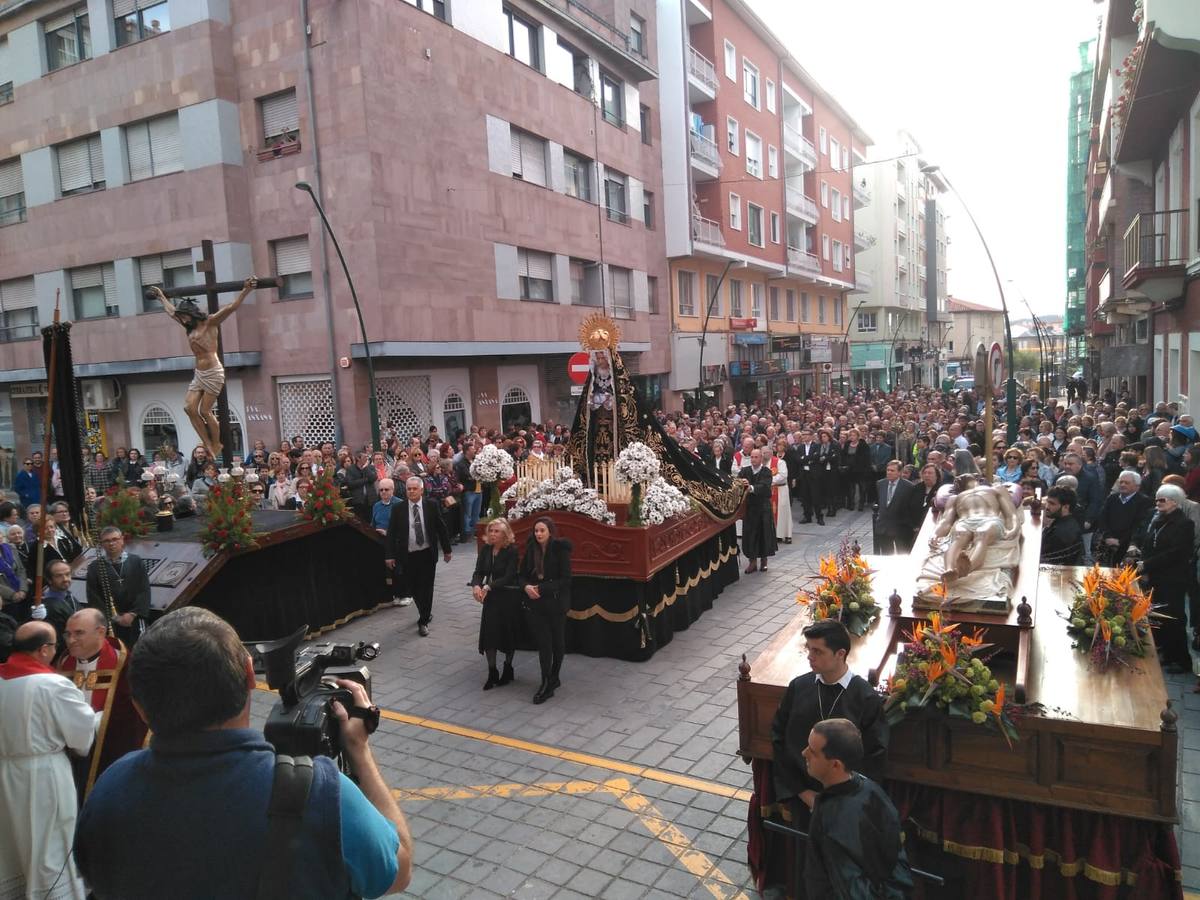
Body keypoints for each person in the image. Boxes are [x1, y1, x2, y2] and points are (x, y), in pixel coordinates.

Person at [74, 607, 412, 899]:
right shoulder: (321, 793)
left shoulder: (109, 788)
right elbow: (398, 870)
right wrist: (358, 748)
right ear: (250, 676)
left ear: (140, 709)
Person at [0, 620, 96, 900]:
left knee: (11, 843)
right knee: (50, 843)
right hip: (44, 776)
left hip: (5, 772)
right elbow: (80, 739)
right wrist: (95, 719)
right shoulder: (53, 684)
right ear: (44, 650)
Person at [770, 620, 888, 830]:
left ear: (840, 654)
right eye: (809, 649)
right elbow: (779, 739)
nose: (810, 656)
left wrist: (845, 800)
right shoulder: (799, 687)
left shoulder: (865, 697)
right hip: (802, 797)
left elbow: (875, 756)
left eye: (818, 651)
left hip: (848, 806)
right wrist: (805, 794)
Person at [802, 718, 913, 899]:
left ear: (835, 764)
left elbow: (853, 892)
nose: (804, 753)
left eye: (813, 752)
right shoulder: (870, 788)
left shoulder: (835, 822)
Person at [150, 277, 258, 459]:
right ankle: (207, 443)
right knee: (189, 408)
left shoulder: (210, 322)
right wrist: (161, 297)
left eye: (185, 316)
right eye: (182, 317)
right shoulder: (188, 326)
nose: (183, 319)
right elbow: (171, 312)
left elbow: (231, 307)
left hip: (213, 372)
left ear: (192, 314)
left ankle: (216, 443)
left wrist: (246, 290)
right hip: (199, 373)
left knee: (204, 411)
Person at [59, 608, 148, 792]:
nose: (71, 640)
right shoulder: (62, 662)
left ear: (100, 632)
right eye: (68, 634)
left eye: (79, 633)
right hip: (64, 756)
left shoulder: (123, 665)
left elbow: (131, 718)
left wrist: (93, 722)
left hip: (103, 751)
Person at [1132, 484, 1195, 673]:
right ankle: (1166, 654)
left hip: (1173, 578)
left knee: (1174, 618)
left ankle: (1181, 660)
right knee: (1159, 616)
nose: (1157, 503)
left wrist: (1147, 564)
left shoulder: (1184, 524)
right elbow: (1151, 542)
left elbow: (1175, 553)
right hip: (1157, 576)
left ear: (1175, 503)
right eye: (1157, 499)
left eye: (1162, 500)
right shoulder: (1161, 519)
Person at [385, 476, 452, 637]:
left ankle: (423, 620)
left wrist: (447, 550)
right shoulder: (398, 508)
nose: (412, 491)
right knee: (413, 587)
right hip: (408, 555)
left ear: (422, 490)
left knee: (427, 588)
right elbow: (391, 533)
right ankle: (424, 611)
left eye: (415, 488)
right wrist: (389, 555)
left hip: (427, 554)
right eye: (409, 489)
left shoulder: (431, 505)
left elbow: (440, 527)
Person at [519, 517, 572, 705]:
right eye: (536, 531)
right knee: (544, 644)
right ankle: (545, 680)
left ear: (550, 531)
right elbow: (522, 575)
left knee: (557, 641)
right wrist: (526, 587)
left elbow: (566, 579)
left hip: (555, 604)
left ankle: (554, 677)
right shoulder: (531, 549)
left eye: (542, 530)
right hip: (536, 605)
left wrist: (542, 589)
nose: (538, 534)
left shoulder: (560, 549)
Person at [471, 518, 520, 690]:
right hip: (491, 598)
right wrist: (476, 584)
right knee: (489, 634)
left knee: (507, 634)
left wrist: (489, 585)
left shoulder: (512, 551)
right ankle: (492, 671)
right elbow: (479, 571)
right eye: (490, 531)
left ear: (505, 534)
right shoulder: (486, 550)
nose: (492, 534)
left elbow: (509, 575)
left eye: (496, 531)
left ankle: (508, 668)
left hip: (507, 596)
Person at [85, 526, 151, 648]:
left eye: (115, 539)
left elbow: (144, 590)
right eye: (107, 541)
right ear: (101, 544)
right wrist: (115, 617)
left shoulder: (136, 561)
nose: (111, 543)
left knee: (141, 649)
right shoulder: (94, 567)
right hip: (112, 622)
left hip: (136, 618)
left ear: (122, 540)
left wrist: (133, 614)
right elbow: (94, 598)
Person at [1095, 470, 1154, 565]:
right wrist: (1107, 536)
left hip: (1127, 547)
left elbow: (1138, 525)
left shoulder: (1144, 502)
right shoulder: (1112, 498)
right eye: (1121, 482)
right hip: (1107, 544)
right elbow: (1102, 518)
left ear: (1137, 486)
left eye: (1127, 483)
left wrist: (1120, 541)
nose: (1122, 485)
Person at [738, 448, 777, 574]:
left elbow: (765, 488)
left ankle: (764, 561)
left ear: (761, 458)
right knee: (750, 535)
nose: (754, 459)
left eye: (756, 457)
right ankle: (752, 562)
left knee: (763, 534)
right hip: (749, 509)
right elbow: (737, 484)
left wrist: (751, 488)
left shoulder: (766, 472)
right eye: (752, 457)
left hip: (763, 508)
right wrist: (741, 483)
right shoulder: (745, 470)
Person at [33, 558, 84, 653]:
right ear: (49, 579)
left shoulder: (67, 594)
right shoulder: (48, 606)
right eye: (59, 576)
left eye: (67, 574)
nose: (65, 579)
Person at [874, 460, 919, 555]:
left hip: (900, 529)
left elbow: (911, 508)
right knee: (886, 557)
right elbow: (879, 503)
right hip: (883, 528)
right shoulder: (880, 484)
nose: (889, 472)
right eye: (888, 470)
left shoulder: (909, 487)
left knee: (903, 555)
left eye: (892, 470)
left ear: (899, 472)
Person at [1040, 486, 1084, 566]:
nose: (1047, 507)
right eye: (1047, 502)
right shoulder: (1067, 522)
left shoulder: (1061, 532)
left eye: (1052, 504)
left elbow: (1046, 561)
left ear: (1066, 507)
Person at [0, 525, 31, 621]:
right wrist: (12, 594)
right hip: (6, 601)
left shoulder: (10, 548)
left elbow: (21, 570)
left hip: (23, 595)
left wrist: (23, 590)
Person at [454, 442, 483, 544]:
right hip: (469, 491)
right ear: (467, 451)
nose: (474, 450)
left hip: (479, 490)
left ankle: (475, 531)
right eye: (472, 449)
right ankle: (466, 533)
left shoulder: (476, 461)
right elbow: (465, 476)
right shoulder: (461, 464)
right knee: (468, 513)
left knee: (476, 513)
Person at [771, 439, 792, 545]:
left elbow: (783, 475)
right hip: (772, 490)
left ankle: (787, 534)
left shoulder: (781, 461)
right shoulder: (769, 461)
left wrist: (771, 481)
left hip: (781, 489)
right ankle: (777, 534)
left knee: (783, 511)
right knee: (774, 512)